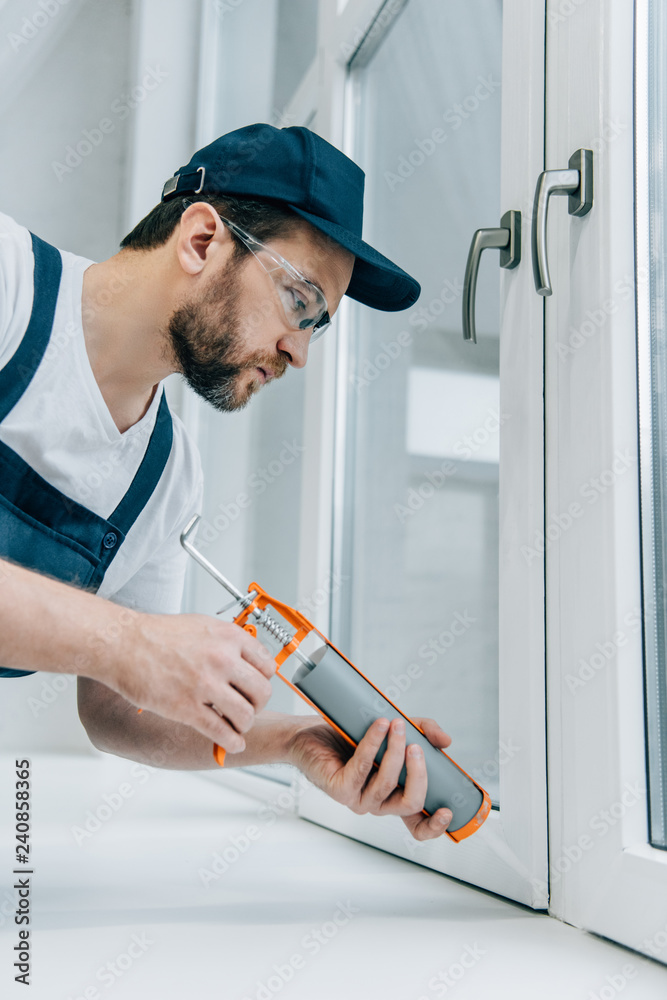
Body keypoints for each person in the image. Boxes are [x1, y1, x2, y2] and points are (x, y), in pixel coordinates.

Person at [0, 123, 453, 841]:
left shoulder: (166, 480)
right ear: (202, 240)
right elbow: (127, 658)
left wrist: (291, 743)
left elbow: (118, 713)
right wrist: (132, 644)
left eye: (319, 326)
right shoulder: (10, 286)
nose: (298, 353)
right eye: (299, 301)